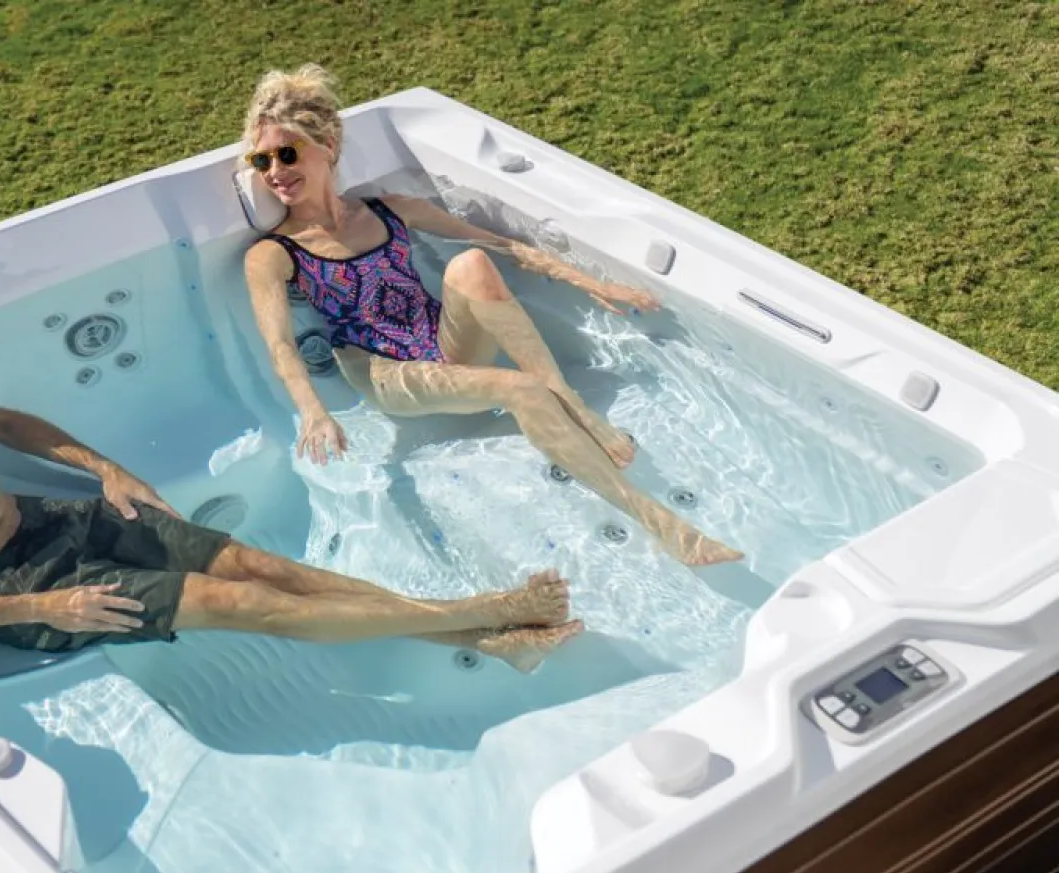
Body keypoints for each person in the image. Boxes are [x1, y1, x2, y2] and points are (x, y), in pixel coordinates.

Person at [0, 280, 586, 669]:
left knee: (260, 565)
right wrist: (41, 607)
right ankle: (478, 616)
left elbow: (10, 423)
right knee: (237, 605)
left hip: (52, 523)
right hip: (15, 587)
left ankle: (476, 639)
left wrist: (104, 468)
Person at [240, 65, 742, 567]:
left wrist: (592, 284)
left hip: (442, 342)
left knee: (473, 264)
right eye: (262, 160)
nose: (274, 172)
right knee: (519, 387)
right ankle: (664, 526)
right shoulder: (275, 252)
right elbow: (280, 344)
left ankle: (571, 404)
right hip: (385, 372)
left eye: (287, 153)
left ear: (327, 144)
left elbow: (496, 243)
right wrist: (313, 410)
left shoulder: (387, 210)